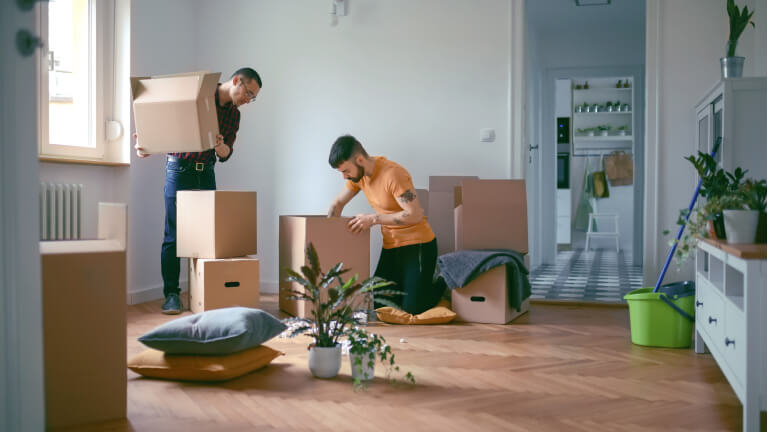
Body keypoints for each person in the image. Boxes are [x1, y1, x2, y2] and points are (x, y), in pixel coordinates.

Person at [134, 67, 262, 314]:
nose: (248, 100)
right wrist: (146, 144)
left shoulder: (234, 116)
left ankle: (204, 293)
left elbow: (226, 155)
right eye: (249, 93)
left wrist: (222, 146)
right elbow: (166, 125)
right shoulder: (197, 94)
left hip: (207, 172)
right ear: (236, 81)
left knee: (207, 239)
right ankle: (171, 295)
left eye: (252, 97)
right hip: (178, 170)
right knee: (174, 236)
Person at [327, 135, 444, 315]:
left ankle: (442, 281)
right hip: (391, 246)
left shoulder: (393, 174)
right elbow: (337, 204)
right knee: (382, 307)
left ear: (359, 160)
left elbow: (414, 214)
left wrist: (373, 219)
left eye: (346, 171)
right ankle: (415, 286)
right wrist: (328, 237)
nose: (344, 177)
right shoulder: (359, 177)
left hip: (418, 244)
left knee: (413, 309)